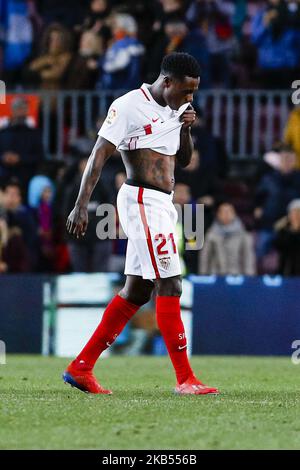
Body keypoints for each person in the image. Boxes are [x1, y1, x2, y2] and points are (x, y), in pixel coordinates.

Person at [63, 52, 219, 396]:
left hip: (163, 202)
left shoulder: (174, 109)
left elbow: (184, 160)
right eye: (186, 91)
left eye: (194, 92)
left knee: (137, 290)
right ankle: (185, 379)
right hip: (142, 199)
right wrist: (81, 205)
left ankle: (81, 367)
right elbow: (99, 153)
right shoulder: (129, 105)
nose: (189, 98)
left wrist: (186, 126)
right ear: (167, 82)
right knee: (171, 283)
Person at [199, 202, 256, 276]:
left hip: (237, 277)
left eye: (229, 211)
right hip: (216, 277)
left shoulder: (243, 235)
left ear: (234, 214)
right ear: (218, 215)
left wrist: (249, 278)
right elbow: (205, 258)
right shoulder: (211, 235)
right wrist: (202, 276)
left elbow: (248, 258)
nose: (226, 214)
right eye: (223, 212)